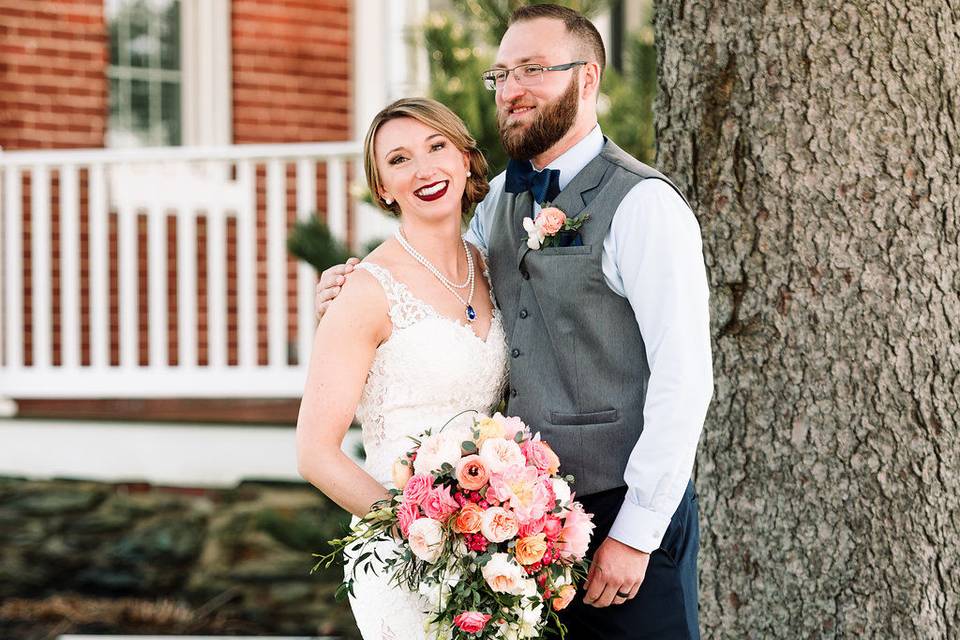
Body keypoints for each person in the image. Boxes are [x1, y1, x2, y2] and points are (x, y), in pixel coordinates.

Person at [316, 5, 713, 639]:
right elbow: (437, 283)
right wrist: (345, 291)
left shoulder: (645, 205)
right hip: (513, 532)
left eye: (533, 70)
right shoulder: (496, 201)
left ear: (586, 79)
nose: (512, 90)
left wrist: (637, 534)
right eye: (501, 75)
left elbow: (685, 380)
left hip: (623, 513)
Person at [296, 97, 508, 640]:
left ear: (465, 159)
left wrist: (489, 530)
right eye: (399, 160)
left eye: (437, 147)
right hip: (403, 553)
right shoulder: (364, 290)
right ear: (383, 189)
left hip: (494, 544)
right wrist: (422, 532)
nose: (423, 169)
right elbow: (315, 454)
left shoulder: (493, 268)